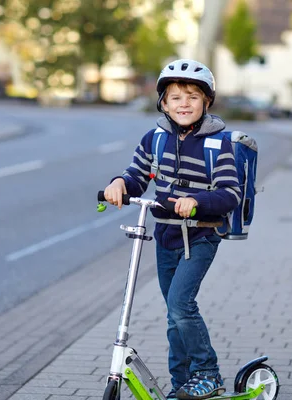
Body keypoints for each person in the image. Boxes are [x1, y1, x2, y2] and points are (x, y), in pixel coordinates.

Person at [103, 59, 241, 399]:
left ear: (207, 102)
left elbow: (230, 193)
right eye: (176, 97)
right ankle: (182, 384)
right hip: (165, 237)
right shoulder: (155, 139)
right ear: (163, 103)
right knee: (173, 316)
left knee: (181, 305)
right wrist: (120, 183)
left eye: (193, 96)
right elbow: (137, 174)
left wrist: (197, 200)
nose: (184, 104)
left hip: (201, 235)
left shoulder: (217, 144)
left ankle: (207, 373)